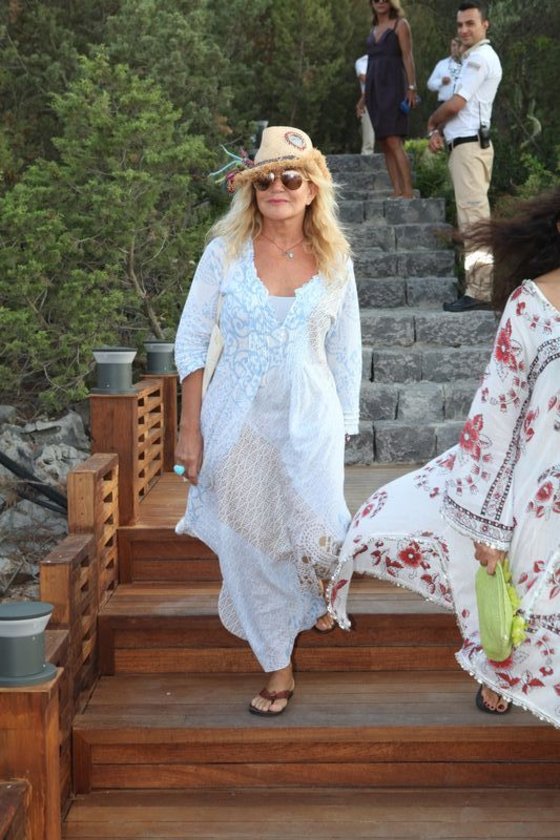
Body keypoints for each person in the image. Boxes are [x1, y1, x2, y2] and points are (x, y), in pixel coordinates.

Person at [328, 187, 560, 728]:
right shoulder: (533, 305)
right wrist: (487, 525)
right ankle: (503, 670)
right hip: (541, 494)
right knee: (524, 591)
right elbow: (495, 414)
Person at [174, 126, 362, 717]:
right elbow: (191, 341)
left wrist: (345, 424)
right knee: (251, 541)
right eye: (265, 180)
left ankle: (318, 589)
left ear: (312, 190)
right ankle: (278, 661)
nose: (277, 187)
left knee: (320, 530)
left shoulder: (335, 259)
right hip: (237, 420)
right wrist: (189, 429)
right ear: (250, 189)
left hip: (311, 420)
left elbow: (346, 349)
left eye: (291, 178)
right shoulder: (223, 254)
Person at [427, 1, 502, 312]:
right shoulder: (472, 58)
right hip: (466, 146)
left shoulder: (479, 59)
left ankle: (480, 291)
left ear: (485, 25)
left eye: (470, 23)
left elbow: (456, 104)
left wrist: (432, 122)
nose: (464, 30)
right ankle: (477, 287)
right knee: (472, 220)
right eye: (460, 25)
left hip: (470, 148)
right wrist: (440, 131)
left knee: (474, 223)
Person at [357, 0, 418, 199]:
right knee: (384, 142)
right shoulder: (373, 28)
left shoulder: (401, 25)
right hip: (374, 90)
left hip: (393, 87)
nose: (380, 2)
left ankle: (408, 191)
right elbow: (370, 64)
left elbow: (408, 57)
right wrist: (364, 97)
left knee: (393, 140)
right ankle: (396, 190)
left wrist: (412, 87)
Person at [426, 37, 462, 103]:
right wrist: (441, 81)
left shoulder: (468, 64)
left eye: (459, 46)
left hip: (463, 105)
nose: (455, 48)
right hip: (444, 104)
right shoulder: (442, 64)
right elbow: (430, 84)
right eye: (453, 45)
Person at [355, 54, 375, 155]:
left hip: (387, 101)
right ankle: (367, 163)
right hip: (369, 101)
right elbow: (367, 81)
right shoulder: (362, 61)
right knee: (368, 141)